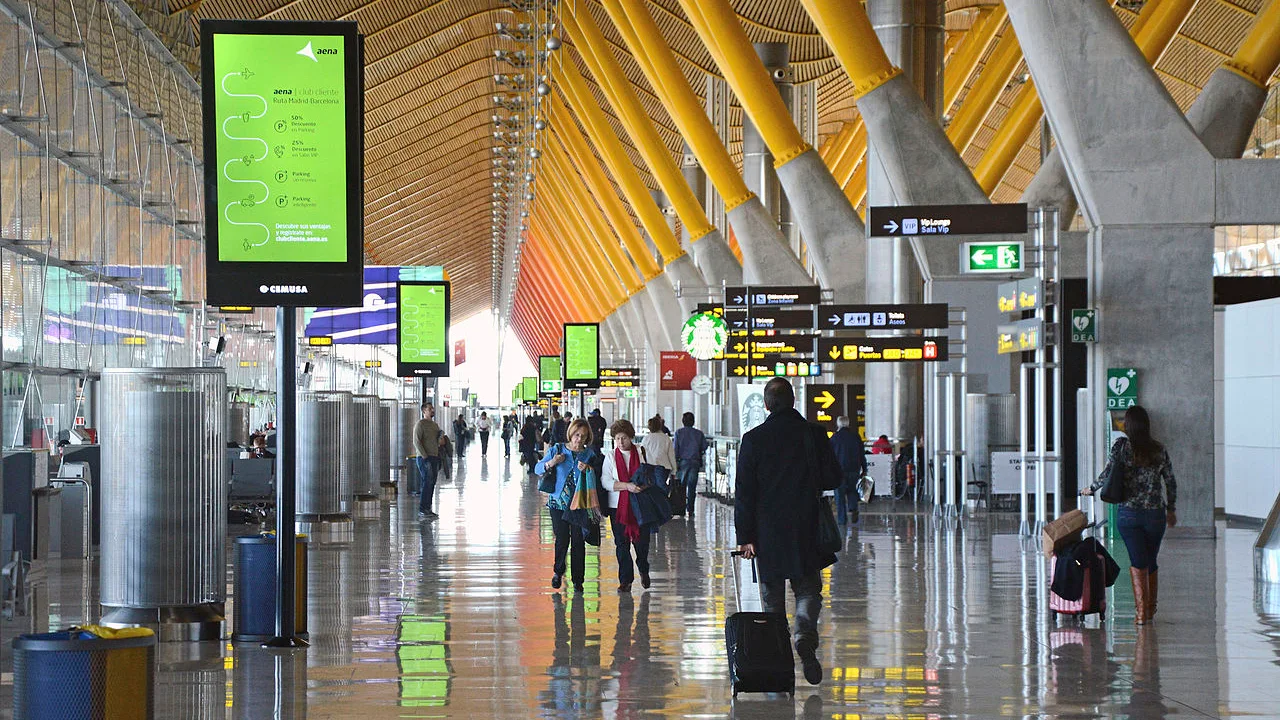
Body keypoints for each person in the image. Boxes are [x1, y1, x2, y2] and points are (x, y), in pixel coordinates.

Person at [735, 377, 841, 686]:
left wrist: (746, 538)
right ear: (794, 401)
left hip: (767, 533)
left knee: (772, 602)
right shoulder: (814, 435)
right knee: (808, 590)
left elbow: (745, 493)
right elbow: (833, 477)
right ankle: (804, 634)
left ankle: (779, 663)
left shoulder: (754, 439)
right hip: (806, 527)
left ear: (766, 405)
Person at [1082, 405, 1177, 625]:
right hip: (1155, 515)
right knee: (1150, 560)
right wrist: (1171, 508)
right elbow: (1170, 481)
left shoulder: (1121, 447)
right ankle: (1149, 609)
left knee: (1138, 560)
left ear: (1128, 425)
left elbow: (1108, 473)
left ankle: (1143, 613)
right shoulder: (1159, 450)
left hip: (1129, 515)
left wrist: (1092, 488)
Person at [536, 419, 599, 593]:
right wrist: (552, 462)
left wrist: (588, 469)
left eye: (583, 436)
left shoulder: (589, 455)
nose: (579, 439)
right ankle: (558, 571)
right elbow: (537, 468)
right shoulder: (558, 449)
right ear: (571, 433)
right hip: (558, 503)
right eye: (577, 435)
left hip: (579, 504)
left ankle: (578, 580)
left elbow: (597, 477)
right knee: (562, 539)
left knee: (579, 542)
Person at [601, 419, 652, 593]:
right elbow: (606, 481)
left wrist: (641, 486)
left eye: (623, 438)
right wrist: (626, 486)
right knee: (621, 544)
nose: (620, 442)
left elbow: (650, 474)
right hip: (618, 507)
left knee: (641, 543)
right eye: (617, 439)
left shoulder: (641, 452)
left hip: (640, 505)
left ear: (630, 437)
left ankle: (643, 569)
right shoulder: (610, 456)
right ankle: (626, 580)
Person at [829, 416, 867, 523]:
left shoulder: (834, 438)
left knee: (839, 495)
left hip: (839, 471)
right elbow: (861, 454)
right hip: (854, 469)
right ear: (848, 424)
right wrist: (864, 469)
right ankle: (853, 508)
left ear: (838, 424)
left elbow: (829, 456)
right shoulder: (855, 437)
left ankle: (842, 520)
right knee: (852, 490)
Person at [673, 412, 708, 519]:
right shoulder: (699, 434)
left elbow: (675, 449)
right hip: (694, 462)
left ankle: (681, 508)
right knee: (692, 486)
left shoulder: (678, 433)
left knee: (681, 487)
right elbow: (704, 446)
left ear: (683, 421)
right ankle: (691, 509)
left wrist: (675, 462)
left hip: (682, 462)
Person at [413, 403, 445, 519]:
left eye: (432, 408)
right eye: (429, 409)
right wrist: (424, 456)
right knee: (427, 482)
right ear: (424, 411)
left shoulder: (435, 425)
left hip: (434, 456)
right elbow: (416, 441)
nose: (432, 410)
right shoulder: (420, 424)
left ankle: (428, 508)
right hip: (424, 458)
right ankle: (422, 509)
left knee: (431, 483)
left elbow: (438, 442)